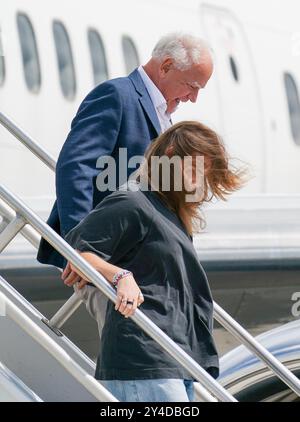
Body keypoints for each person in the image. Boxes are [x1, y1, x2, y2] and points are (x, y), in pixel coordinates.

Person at [64, 120, 246, 402]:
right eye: (196, 169)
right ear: (172, 155)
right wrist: (120, 276)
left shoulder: (169, 214)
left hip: (173, 359)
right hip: (144, 357)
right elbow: (78, 253)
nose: (199, 181)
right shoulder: (134, 201)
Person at [37, 32, 213, 272]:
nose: (193, 98)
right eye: (192, 86)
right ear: (167, 66)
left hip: (142, 258)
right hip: (109, 253)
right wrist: (80, 249)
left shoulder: (164, 117)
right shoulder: (117, 96)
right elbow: (76, 167)